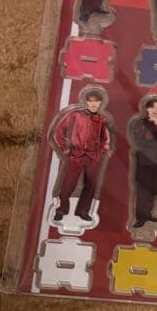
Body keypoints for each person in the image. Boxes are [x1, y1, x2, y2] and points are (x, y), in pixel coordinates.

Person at [50, 88, 112, 224]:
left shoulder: (101, 119)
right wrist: (65, 147)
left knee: (91, 184)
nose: (94, 104)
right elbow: (59, 131)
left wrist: (102, 149)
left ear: (100, 103)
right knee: (68, 184)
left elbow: (104, 137)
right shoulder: (75, 115)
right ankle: (61, 210)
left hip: (93, 157)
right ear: (86, 101)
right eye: (91, 101)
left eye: (97, 101)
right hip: (76, 155)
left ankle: (83, 211)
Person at [128, 96, 157, 230]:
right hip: (144, 160)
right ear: (146, 108)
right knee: (142, 190)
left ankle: (148, 214)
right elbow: (139, 141)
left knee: (153, 190)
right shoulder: (139, 123)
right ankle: (139, 217)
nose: (155, 110)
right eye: (152, 107)